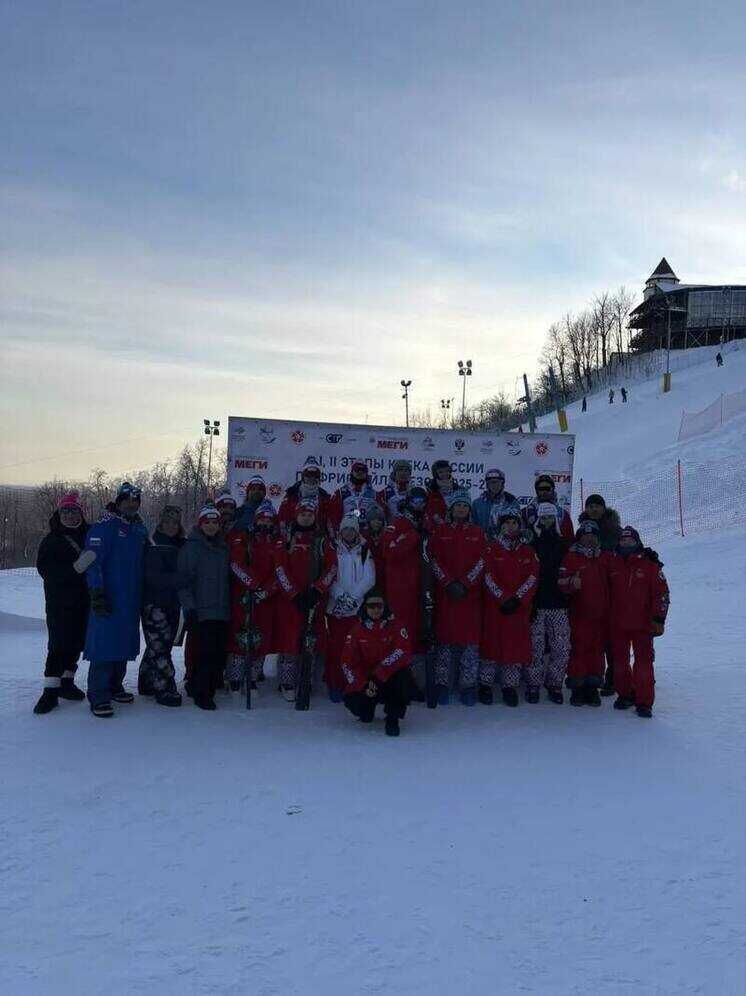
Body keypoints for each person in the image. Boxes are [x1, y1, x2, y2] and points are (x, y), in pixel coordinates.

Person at [83, 482, 148, 718]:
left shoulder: (138, 528)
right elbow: (91, 560)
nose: (132, 504)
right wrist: (97, 591)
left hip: (130, 598)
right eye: (128, 499)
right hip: (109, 596)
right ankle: (98, 694)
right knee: (104, 644)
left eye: (136, 500)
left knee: (123, 643)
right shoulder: (105, 525)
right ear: (119, 501)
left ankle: (114, 686)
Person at [273, 499, 337, 701]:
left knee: (313, 641)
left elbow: (332, 567)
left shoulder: (322, 540)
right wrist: (293, 593)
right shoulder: (287, 539)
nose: (306, 518)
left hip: (314, 600)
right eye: (303, 514)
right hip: (291, 601)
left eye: (310, 514)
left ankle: (308, 679)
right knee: (290, 640)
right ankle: (287, 681)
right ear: (296, 515)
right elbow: (280, 568)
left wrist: (318, 590)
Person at [33, 492, 90, 714]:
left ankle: (67, 682)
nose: (69, 515)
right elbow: (46, 570)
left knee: (76, 642)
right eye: (65, 511)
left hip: (83, 601)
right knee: (57, 645)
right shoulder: (52, 540)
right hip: (59, 604)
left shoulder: (88, 534)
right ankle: (49, 692)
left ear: (81, 513)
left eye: (74, 511)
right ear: (59, 512)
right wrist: (74, 569)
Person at [428, 490, 485, 705]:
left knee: (470, 644)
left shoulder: (478, 533)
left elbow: (482, 561)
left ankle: (468, 686)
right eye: (457, 505)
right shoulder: (440, 531)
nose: (461, 509)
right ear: (451, 509)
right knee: (445, 642)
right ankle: (443, 684)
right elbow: (433, 559)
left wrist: (466, 583)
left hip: (469, 597)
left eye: (465, 506)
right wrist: (448, 582)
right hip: (447, 596)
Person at [608, 526, 670, 718]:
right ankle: (625, 694)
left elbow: (662, 594)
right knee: (620, 662)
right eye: (623, 540)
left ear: (637, 543)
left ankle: (644, 702)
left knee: (643, 663)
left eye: (630, 541)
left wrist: (659, 619)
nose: (626, 544)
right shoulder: (612, 564)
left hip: (642, 624)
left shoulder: (650, 566)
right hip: (617, 623)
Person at [479, 508, 538, 706]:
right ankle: (485, 685)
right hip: (496, 608)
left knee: (514, 648)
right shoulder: (490, 548)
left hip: (518, 609)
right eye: (507, 523)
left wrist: (518, 599)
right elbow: (487, 575)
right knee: (491, 646)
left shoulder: (528, 551)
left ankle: (509, 687)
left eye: (514, 523)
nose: (511, 526)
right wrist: (502, 598)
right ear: (500, 525)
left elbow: (533, 577)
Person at [177, 504, 231, 710]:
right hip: (201, 610)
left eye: (214, 522)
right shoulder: (192, 548)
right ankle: (202, 692)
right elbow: (184, 582)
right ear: (200, 524)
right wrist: (189, 608)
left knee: (217, 652)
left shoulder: (224, 548)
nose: (211, 526)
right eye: (207, 522)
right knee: (205, 652)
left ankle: (206, 685)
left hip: (222, 609)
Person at [341, 588, 412, 736]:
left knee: (403, 675)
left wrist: (380, 674)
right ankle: (367, 709)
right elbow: (347, 663)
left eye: (379, 605)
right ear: (365, 608)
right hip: (367, 681)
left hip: (387, 677)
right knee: (361, 711)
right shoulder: (356, 630)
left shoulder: (396, 626)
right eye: (371, 606)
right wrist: (362, 685)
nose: (375, 609)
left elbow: (403, 651)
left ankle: (393, 717)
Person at [227, 499, 279, 692]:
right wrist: (253, 584)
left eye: (269, 520)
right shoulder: (244, 538)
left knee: (261, 637)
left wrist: (265, 590)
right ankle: (234, 677)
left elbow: (279, 570)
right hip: (244, 595)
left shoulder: (276, 542)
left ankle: (253, 676)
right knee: (240, 636)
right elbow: (236, 564)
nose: (265, 523)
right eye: (262, 519)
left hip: (265, 598)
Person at [138, 505, 187, 707]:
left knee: (161, 645)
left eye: (175, 522)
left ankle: (146, 681)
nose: (171, 526)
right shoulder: (152, 544)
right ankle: (164, 687)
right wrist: (182, 579)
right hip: (154, 603)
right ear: (161, 522)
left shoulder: (181, 544)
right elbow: (154, 577)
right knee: (159, 647)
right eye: (167, 521)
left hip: (173, 603)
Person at [383, 486, 429, 696]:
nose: (418, 506)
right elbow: (389, 551)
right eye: (415, 502)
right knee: (401, 635)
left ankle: (417, 683)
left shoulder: (426, 524)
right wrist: (411, 536)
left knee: (420, 636)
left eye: (422, 502)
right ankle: (397, 682)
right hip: (399, 592)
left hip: (421, 590)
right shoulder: (397, 524)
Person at [558, 520, 610, 706]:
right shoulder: (571, 558)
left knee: (597, 650)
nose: (589, 539)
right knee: (579, 649)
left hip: (601, 615)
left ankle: (592, 687)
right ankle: (577, 687)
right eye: (586, 536)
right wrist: (572, 583)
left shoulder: (605, 557)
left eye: (593, 536)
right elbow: (561, 583)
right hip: (578, 614)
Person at [325, 515, 375, 700]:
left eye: (351, 529)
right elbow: (328, 575)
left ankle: (353, 683)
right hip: (335, 609)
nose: (348, 532)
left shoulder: (364, 550)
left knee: (355, 649)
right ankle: (335, 683)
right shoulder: (332, 548)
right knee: (336, 649)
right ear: (340, 531)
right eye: (345, 529)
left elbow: (369, 578)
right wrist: (340, 597)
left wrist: (353, 599)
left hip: (356, 608)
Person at [527, 502, 571, 704]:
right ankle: (533, 684)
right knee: (535, 647)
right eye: (543, 518)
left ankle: (554, 683)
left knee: (560, 646)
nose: (546, 521)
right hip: (537, 602)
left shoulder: (563, 544)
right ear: (537, 519)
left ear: (555, 519)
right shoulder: (531, 544)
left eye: (549, 518)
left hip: (558, 603)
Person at [578, 493, 621, 694]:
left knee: (612, 641)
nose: (594, 509)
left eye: (597, 506)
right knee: (592, 639)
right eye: (590, 506)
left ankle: (613, 679)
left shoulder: (614, 530)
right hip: (587, 592)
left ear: (604, 509)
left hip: (613, 590)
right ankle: (590, 677)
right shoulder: (581, 529)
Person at [278, 457, 331, 538]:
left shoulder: (325, 497)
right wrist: (285, 536)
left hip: (316, 537)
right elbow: (282, 516)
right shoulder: (291, 493)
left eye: (315, 475)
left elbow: (328, 521)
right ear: (303, 476)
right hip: (294, 536)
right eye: (308, 475)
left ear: (319, 477)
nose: (312, 478)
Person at [327, 460, 377, 536]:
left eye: (363, 470)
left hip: (367, 534)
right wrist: (336, 532)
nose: (360, 472)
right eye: (357, 470)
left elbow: (378, 516)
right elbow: (333, 516)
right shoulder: (340, 493)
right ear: (352, 472)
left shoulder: (374, 494)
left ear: (366, 474)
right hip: (347, 534)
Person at [523, 475, 574, 548]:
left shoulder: (563, 514)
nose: (544, 492)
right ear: (536, 490)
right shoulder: (526, 512)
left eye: (547, 489)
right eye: (541, 489)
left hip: (556, 555)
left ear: (553, 490)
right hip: (532, 556)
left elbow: (569, 540)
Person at [472, 468, 517, 535]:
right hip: (482, 542)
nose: (495, 486)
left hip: (504, 544)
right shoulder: (477, 504)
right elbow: (472, 525)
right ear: (487, 484)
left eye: (498, 482)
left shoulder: (511, 503)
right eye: (492, 482)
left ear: (502, 484)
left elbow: (516, 526)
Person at [424, 459, 456, 531]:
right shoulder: (431, 489)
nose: (445, 474)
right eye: (441, 472)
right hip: (436, 528)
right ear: (436, 474)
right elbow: (430, 510)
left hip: (454, 526)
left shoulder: (457, 488)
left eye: (447, 471)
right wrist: (441, 523)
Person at [362, 502, 387, 594]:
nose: (376, 522)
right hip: (367, 580)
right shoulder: (363, 538)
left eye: (379, 520)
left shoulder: (387, 537)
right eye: (373, 519)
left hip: (384, 580)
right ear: (368, 521)